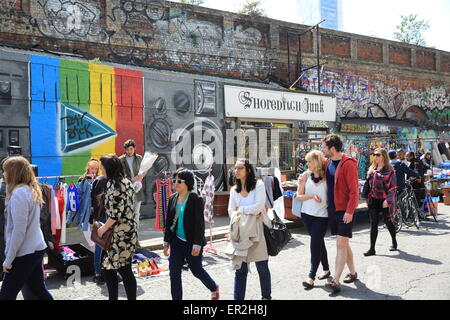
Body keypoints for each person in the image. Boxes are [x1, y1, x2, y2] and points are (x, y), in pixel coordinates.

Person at [0, 156, 53, 300]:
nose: (3, 174)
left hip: (24, 252)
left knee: (6, 294)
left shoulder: (19, 194)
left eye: (5, 171)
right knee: (38, 289)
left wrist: (8, 260)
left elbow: (19, 231)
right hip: (34, 248)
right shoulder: (28, 190)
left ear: (13, 173)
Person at [163, 168, 219, 300]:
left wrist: (197, 244)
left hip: (191, 242)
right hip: (175, 241)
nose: (175, 183)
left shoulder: (195, 199)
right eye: (174, 180)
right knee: (174, 273)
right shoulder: (172, 198)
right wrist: (166, 242)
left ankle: (213, 287)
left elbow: (199, 225)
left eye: (179, 181)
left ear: (187, 182)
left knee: (196, 270)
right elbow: (168, 222)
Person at [227, 159, 272, 300]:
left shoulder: (258, 184)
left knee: (262, 267)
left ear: (247, 170)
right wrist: (247, 212)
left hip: (257, 230)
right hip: (240, 232)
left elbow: (259, 207)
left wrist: (240, 210)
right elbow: (230, 210)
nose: (237, 171)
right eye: (235, 168)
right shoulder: (234, 190)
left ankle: (266, 297)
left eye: (240, 168)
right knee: (240, 269)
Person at [97, 154, 138, 300]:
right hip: (128, 231)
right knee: (111, 267)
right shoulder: (126, 181)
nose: (101, 169)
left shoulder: (113, 184)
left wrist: (102, 229)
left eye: (102, 167)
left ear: (108, 168)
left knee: (121, 269)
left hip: (119, 233)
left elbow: (115, 214)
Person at [321, 134, 359, 294]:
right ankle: (353, 272)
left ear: (332, 148)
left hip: (344, 211)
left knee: (339, 245)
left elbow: (354, 191)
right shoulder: (328, 162)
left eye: (323, 147)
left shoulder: (348, 164)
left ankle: (335, 280)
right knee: (344, 243)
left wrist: (350, 211)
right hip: (333, 210)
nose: (322, 150)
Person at [296, 150, 331, 290]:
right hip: (307, 215)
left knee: (315, 243)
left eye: (309, 161)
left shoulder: (328, 177)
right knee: (319, 241)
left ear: (316, 162)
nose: (307, 164)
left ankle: (311, 277)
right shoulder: (304, 175)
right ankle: (326, 269)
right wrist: (311, 196)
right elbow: (298, 196)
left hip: (322, 216)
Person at [364, 149, 398, 256]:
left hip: (384, 200)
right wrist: (369, 175)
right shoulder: (372, 168)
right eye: (374, 155)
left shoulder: (389, 170)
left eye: (377, 155)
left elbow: (392, 188)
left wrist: (387, 200)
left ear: (383, 156)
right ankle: (372, 249)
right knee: (373, 224)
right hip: (373, 199)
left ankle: (394, 241)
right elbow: (369, 184)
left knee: (388, 222)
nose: (375, 156)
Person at [119, 140, 146, 229]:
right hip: (126, 189)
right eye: (127, 149)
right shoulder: (120, 160)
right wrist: (132, 179)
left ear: (134, 148)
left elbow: (145, 170)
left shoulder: (139, 158)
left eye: (131, 149)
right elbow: (120, 175)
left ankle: (135, 232)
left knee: (137, 211)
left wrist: (141, 176)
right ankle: (128, 231)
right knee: (127, 211)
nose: (129, 151)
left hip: (138, 187)